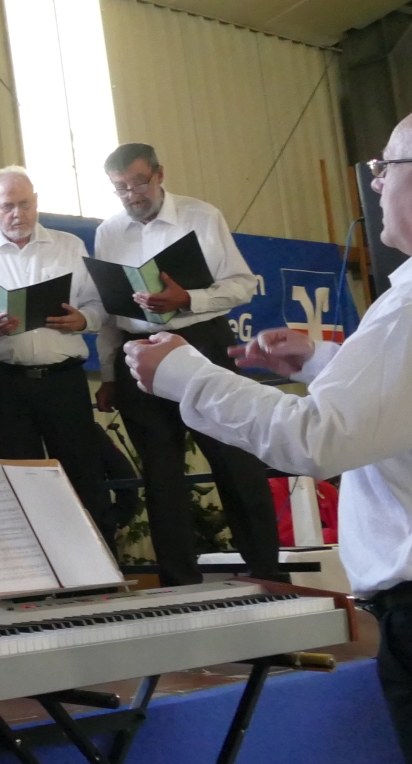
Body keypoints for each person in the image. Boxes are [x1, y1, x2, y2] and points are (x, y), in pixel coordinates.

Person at [123, 101, 412, 764]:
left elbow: (319, 440)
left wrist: (187, 375)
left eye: (385, 168)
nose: (375, 185)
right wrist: (321, 364)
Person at [94, 143, 279, 585]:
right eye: (121, 188)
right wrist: (108, 375)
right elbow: (108, 311)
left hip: (200, 341)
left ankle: (268, 573)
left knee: (232, 459)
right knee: (161, 473)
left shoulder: (201, 216)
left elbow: (242, 284)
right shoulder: (108, 232)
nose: (132, 195)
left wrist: (188, 298)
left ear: (160, 174)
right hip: (138, 349)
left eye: (139, 182)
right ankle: (178, 583)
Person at [0, 166, 111, 523]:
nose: (18, 214)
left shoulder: (69, 246)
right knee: (19, 485)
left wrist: (84, 320)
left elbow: (100, 305)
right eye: (7, 206)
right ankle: (35, 561)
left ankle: (99, 559)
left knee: (85, 479)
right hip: (6, 386)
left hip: (64, 382)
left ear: (36, 202)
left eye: (25, 204)